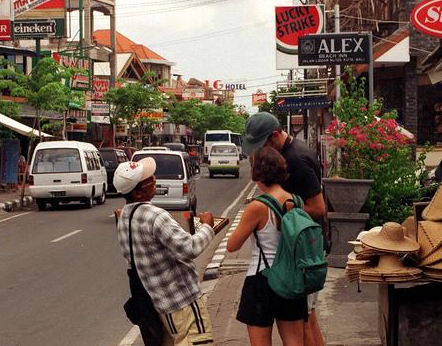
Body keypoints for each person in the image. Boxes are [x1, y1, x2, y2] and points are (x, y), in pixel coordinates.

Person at [242, 112, 326, 346]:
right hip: (296, 252)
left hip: (303, 255)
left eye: (263, 145)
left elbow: (319, 209)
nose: (261, 152)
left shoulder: (296, 159)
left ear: (275, 135)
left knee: (306, 322)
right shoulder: (289, 153)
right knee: (309, 319)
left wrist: (281, 208)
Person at [114, 158, 215, 346]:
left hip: (159, 306)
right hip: (183, 302)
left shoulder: (125, 217)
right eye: (149, 180)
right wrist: (208, 226)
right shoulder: (155, 216)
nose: (154, 180)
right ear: (137, 192)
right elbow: (190, 248)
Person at [228, 147, 308, 346]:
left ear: (258, 173)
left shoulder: (258, 206)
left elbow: (232, 245)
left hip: (262, 280)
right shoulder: (296, 201)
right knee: (295, 342)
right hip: (292, 279)